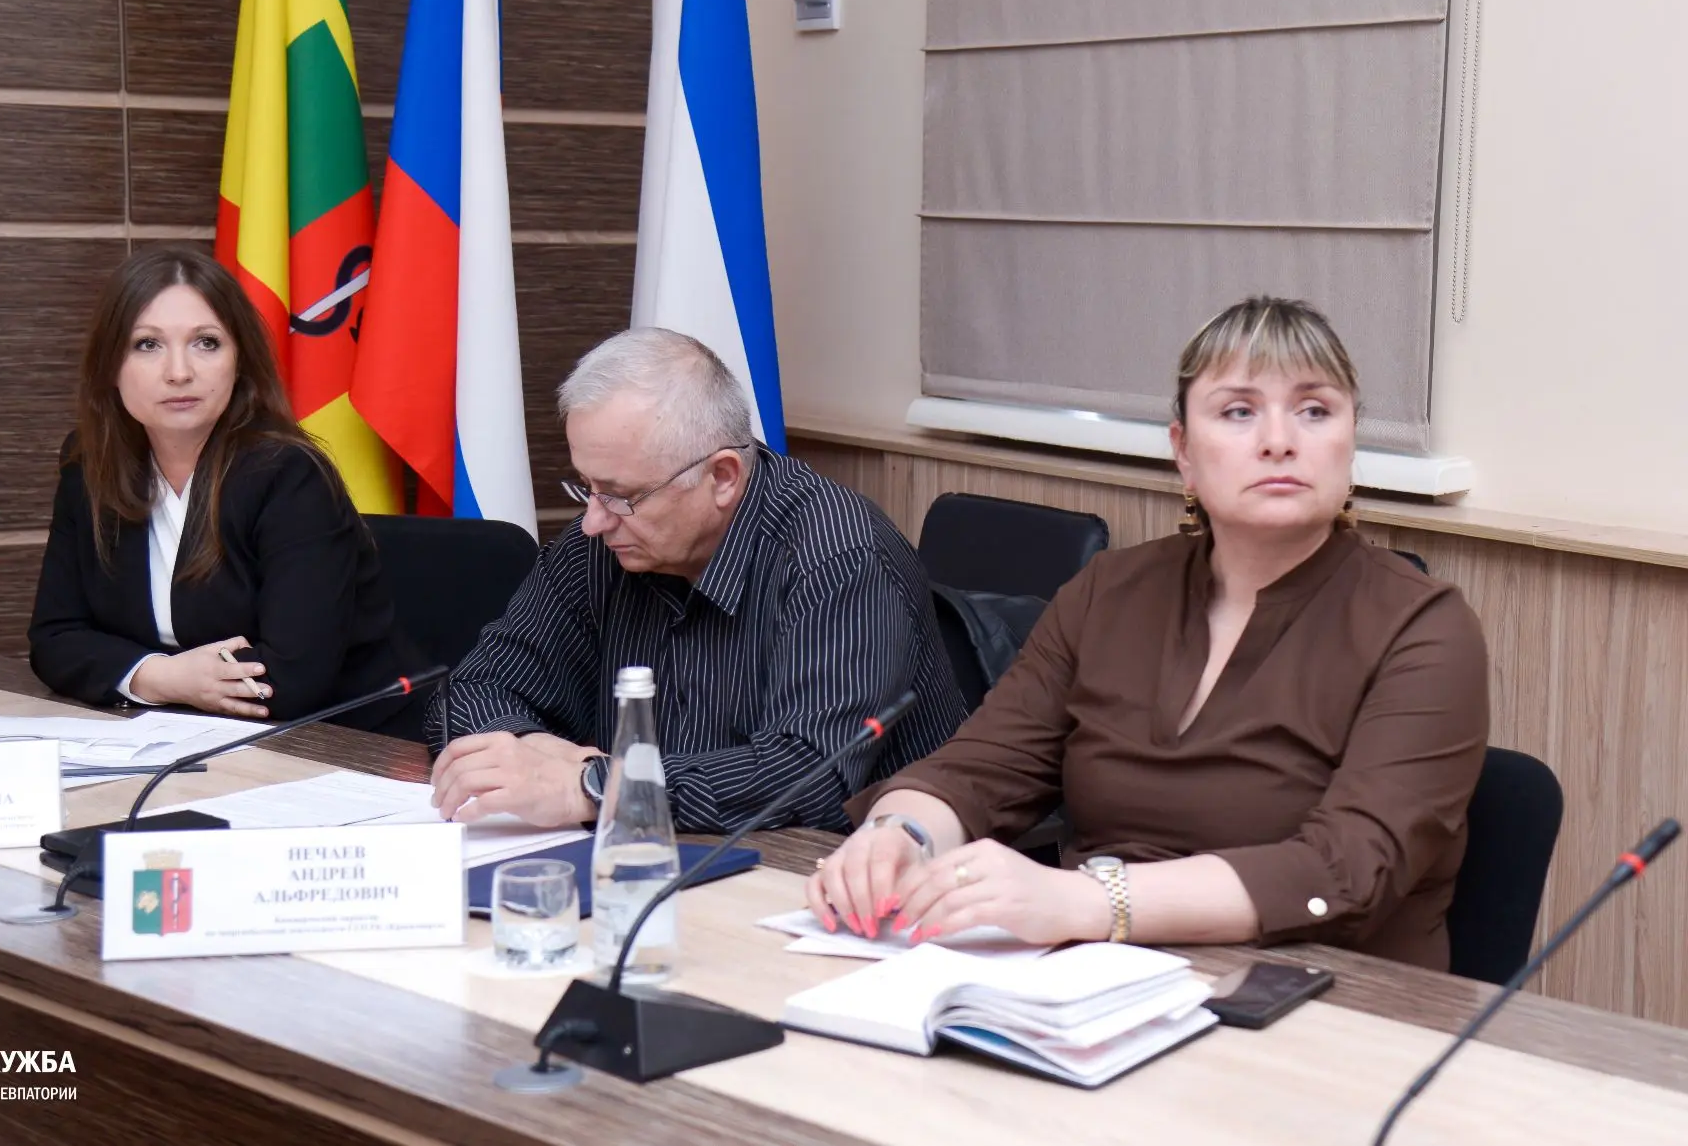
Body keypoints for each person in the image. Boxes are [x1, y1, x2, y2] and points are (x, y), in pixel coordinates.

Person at [811, 298, 1489, 971]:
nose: (1280, 440)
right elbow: (980, 767)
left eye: (1314, 410)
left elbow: (1345, 870)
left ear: (1350, 439)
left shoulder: (1423, 626)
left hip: (1327, 995)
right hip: (1093, 980)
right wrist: (899, 834)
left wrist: (1087, 900)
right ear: (1184, 452)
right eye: (1239, 411)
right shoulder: (1108, 592)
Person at [428, 328, 966, 832]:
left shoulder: (839, 555)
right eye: (587, 487)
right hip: (656, 854)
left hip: (832, 873)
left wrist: (598, 786)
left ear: (723, 477)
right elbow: (473, 692)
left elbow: (810, 776)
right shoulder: (603, 543)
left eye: (621, 495)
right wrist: (534, 755)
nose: (593, 520)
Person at [28, 246, 424, 733]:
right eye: (148, 344)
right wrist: (165, 677)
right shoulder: (90, 464)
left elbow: (291, 679)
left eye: (206, 343)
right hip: (190, 738)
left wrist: (145, 675)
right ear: (110, 365)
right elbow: (54, 639)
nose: (179, 372)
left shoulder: (288, 475)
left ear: (240, 361)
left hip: (352, 743)